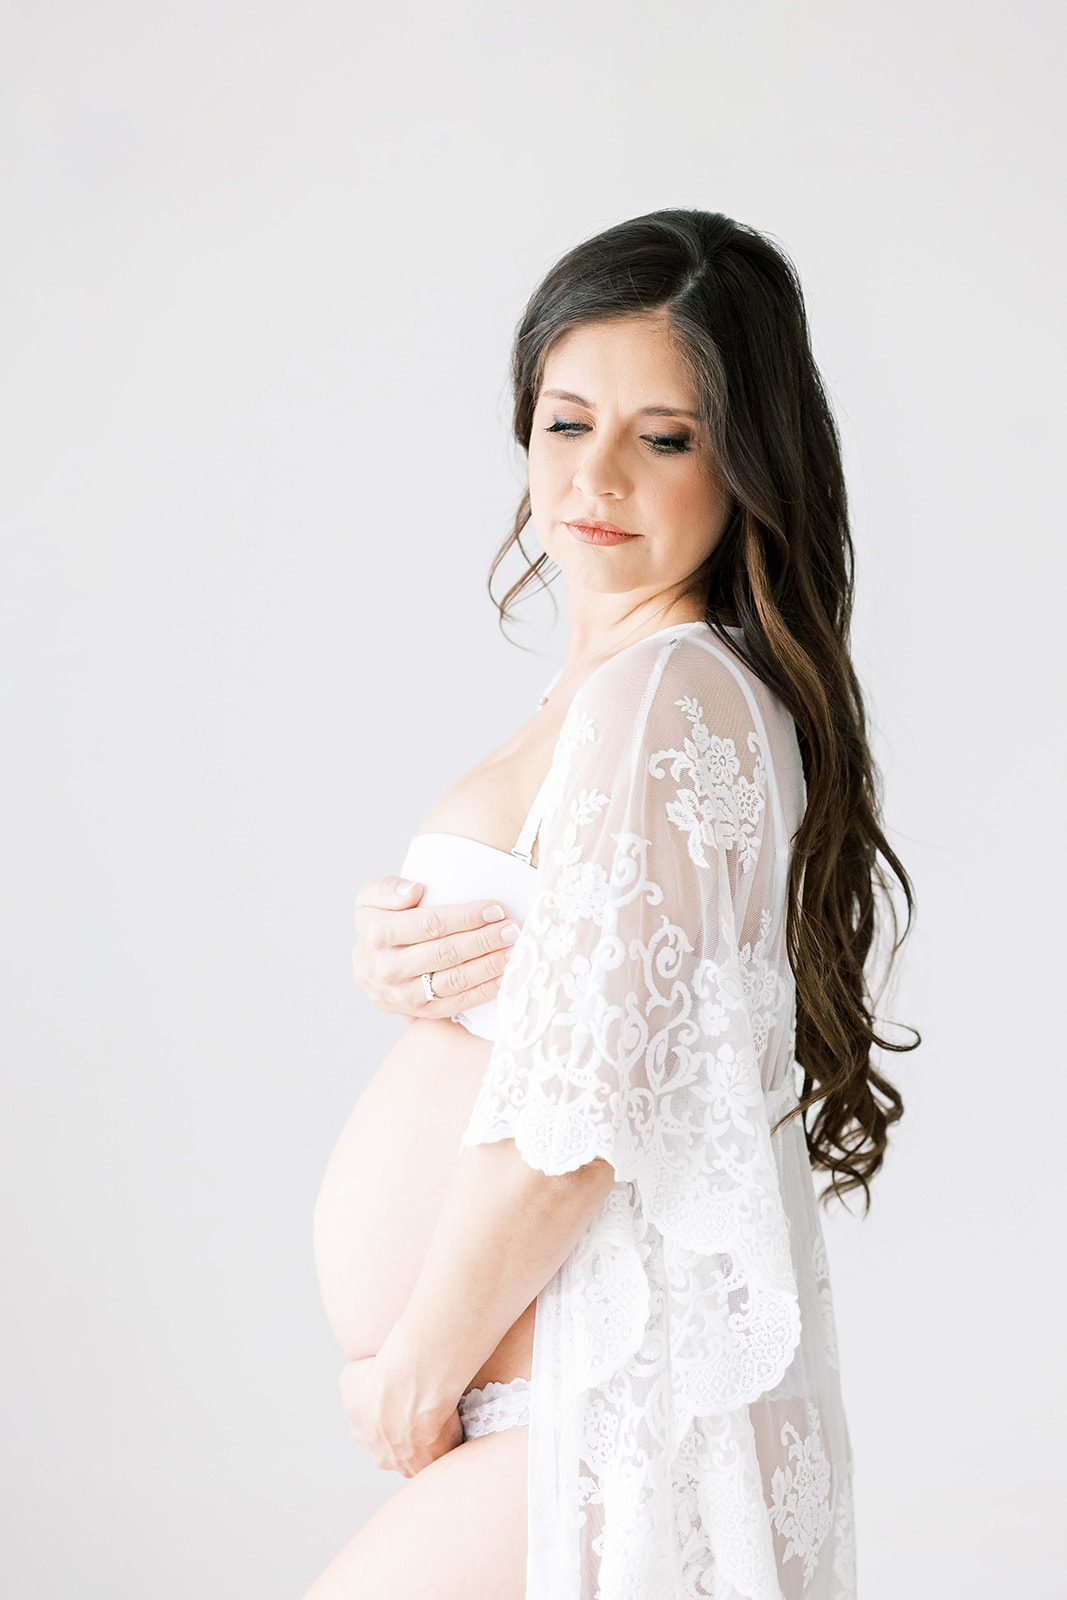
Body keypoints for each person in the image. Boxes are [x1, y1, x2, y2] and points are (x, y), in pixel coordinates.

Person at [303, 209, 916, 1600]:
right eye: (568, 421)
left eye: (666, 436)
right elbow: (583, 995)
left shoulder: (667, 693)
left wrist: (419, 1362)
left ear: (747, 461)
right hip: (552, 1410)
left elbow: (586, 1110)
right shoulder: (617, 693)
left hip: (587, 1410)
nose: (599, 475)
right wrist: (405, 957)